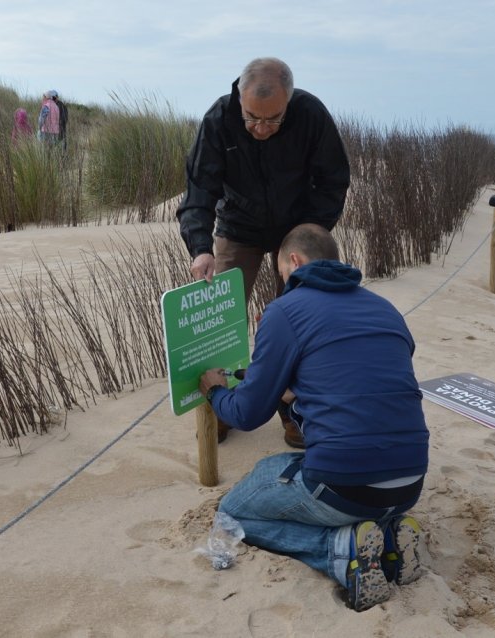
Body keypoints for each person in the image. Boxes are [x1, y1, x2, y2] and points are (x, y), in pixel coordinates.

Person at [198, 223, 429, 612]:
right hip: (410, 483)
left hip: (345, 482)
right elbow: (366, 383)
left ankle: (337, 549)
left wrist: (215, 391)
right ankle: (390, 539)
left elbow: (248, 413)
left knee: (233, 511)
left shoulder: (285, 310)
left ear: (294, 261)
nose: (283, 282)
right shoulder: (386, 309)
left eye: (282, 274)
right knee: (343, 480)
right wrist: (299, 390)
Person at [177, 57, 351, 447]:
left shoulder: (311, 115)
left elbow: (334, 179)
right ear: (239, 98)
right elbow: (199, 192)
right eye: (252, 118)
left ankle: (294, 411)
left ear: (289, 103)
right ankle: (222, 405)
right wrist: (201, 248)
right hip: (239, 227)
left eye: (273, 121)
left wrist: (309, 231)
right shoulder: (218, 119)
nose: (260, 129)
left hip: (296, 226)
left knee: (302, 318)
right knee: (220, 317)